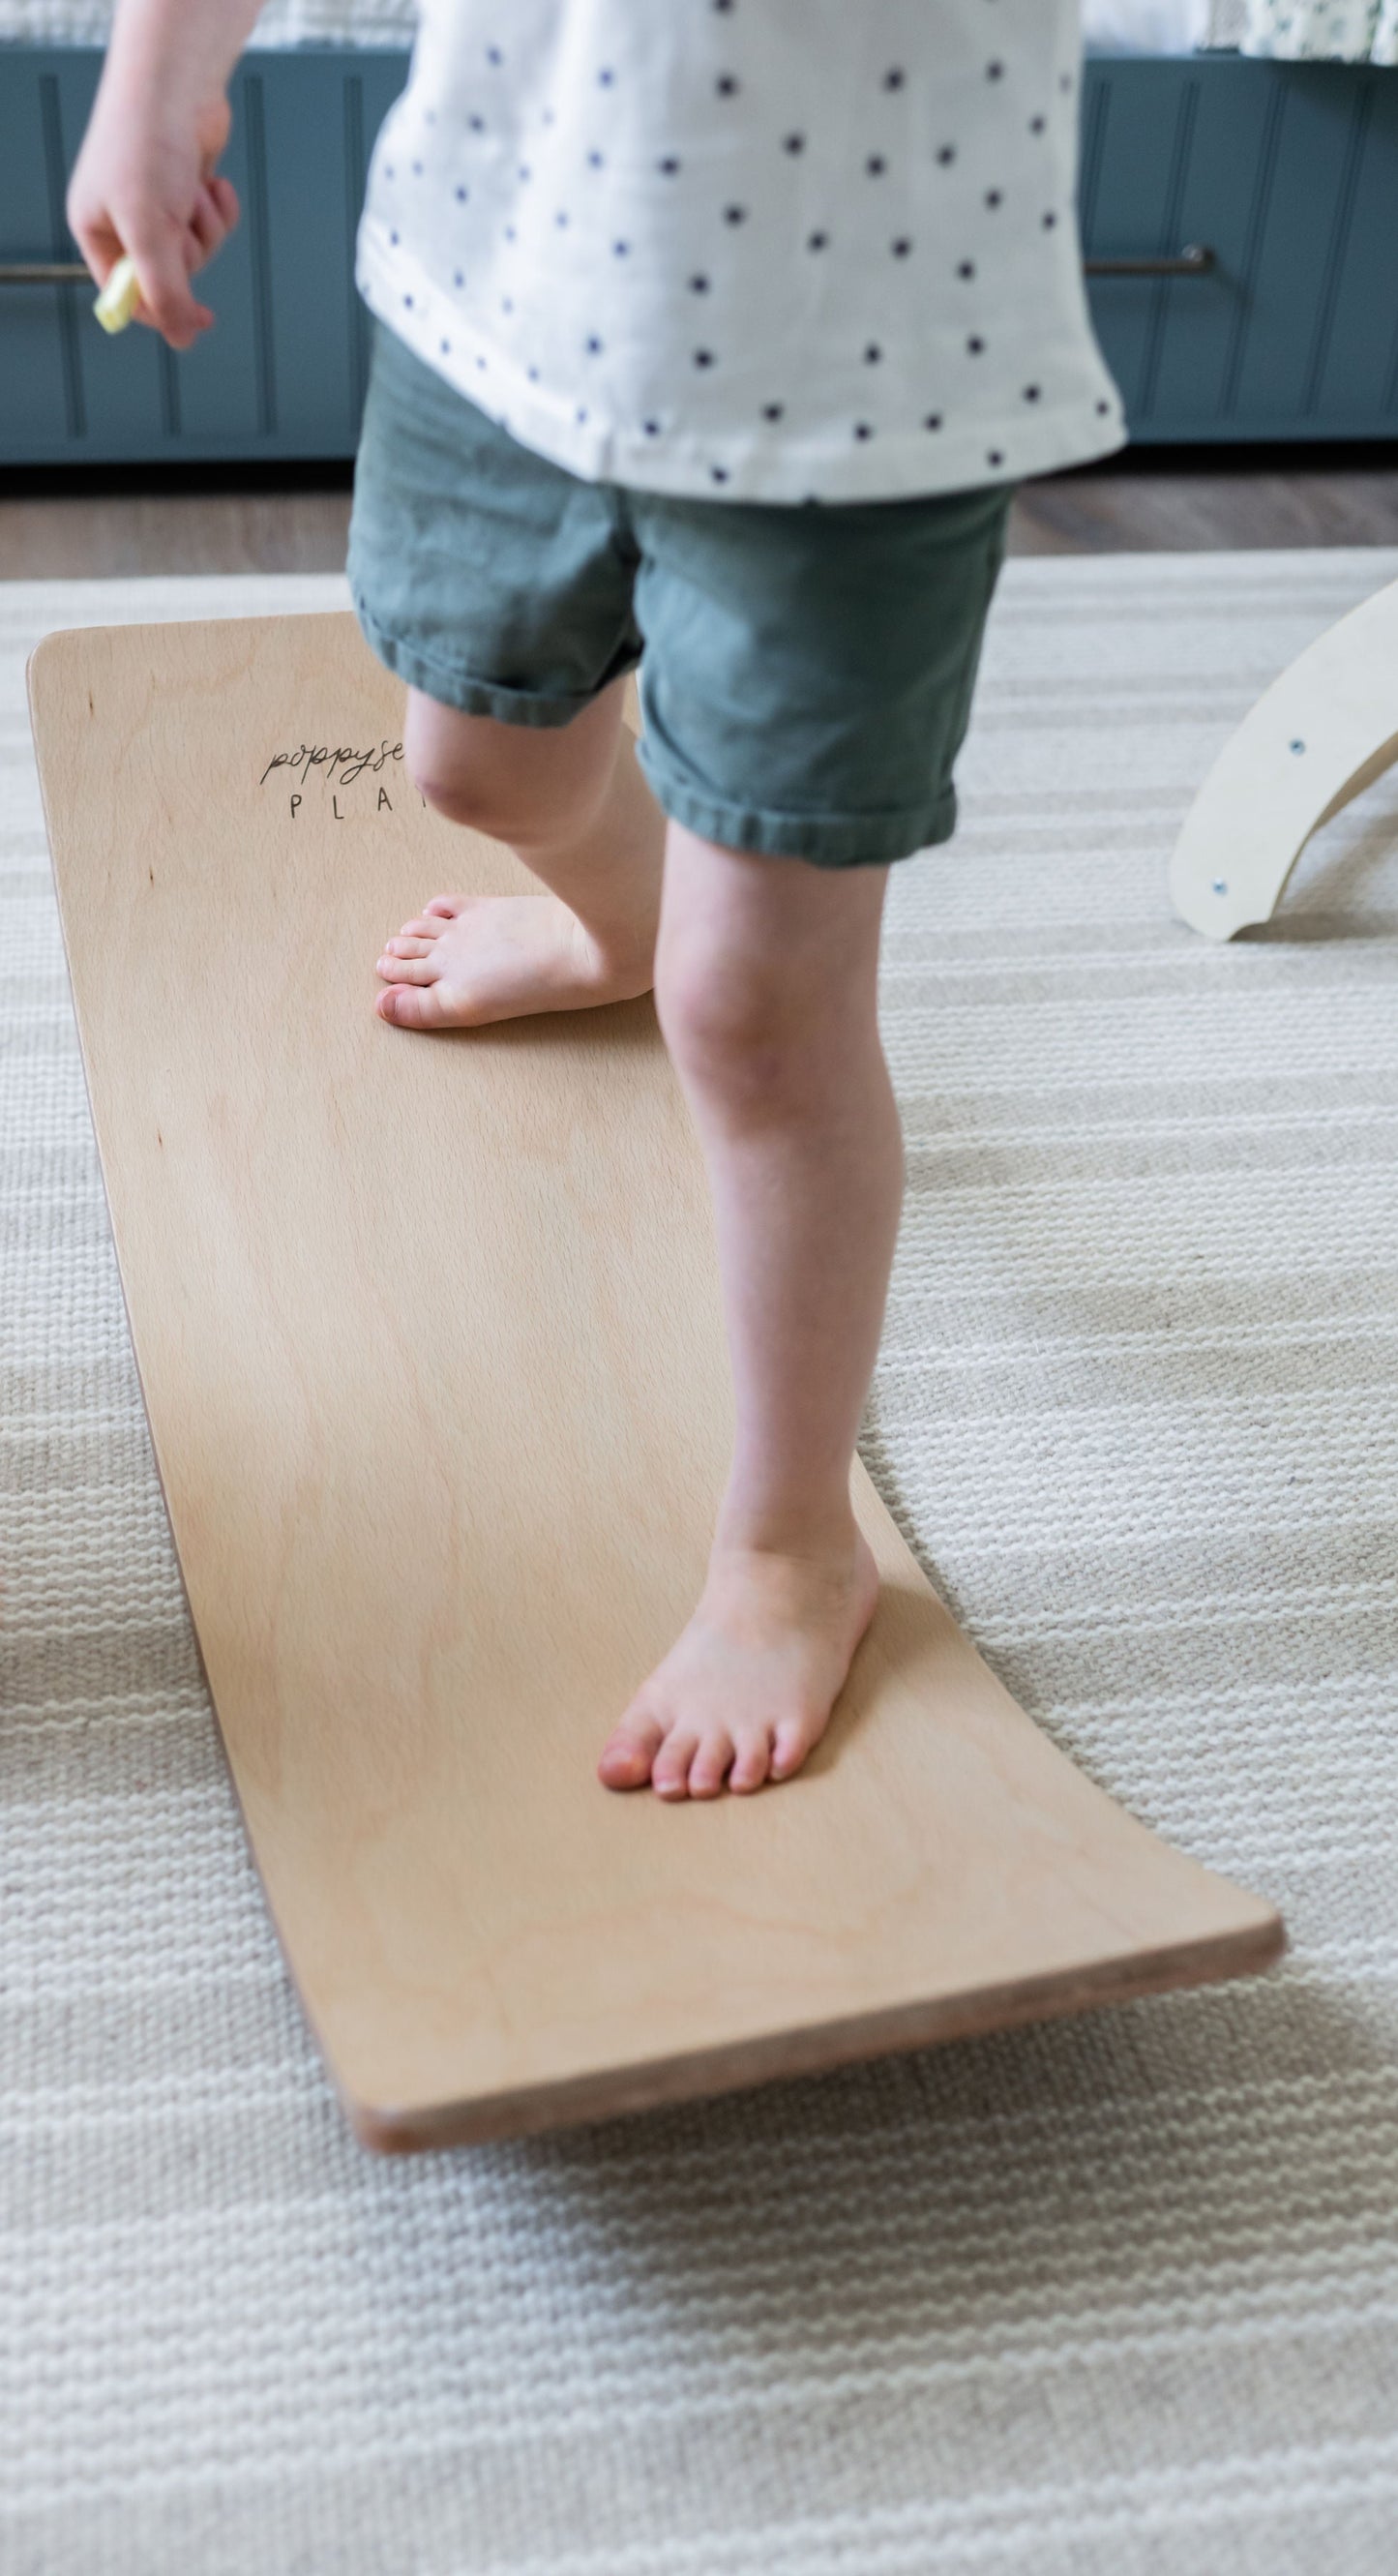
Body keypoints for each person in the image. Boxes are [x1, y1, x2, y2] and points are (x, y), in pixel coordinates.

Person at [69, 0, 1123, 1802]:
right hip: (504, 282)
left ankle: (792, 1549)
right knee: (479, 765)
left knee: (759, 1010)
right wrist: (157, 81)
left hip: (869, 379)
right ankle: (615, 921)